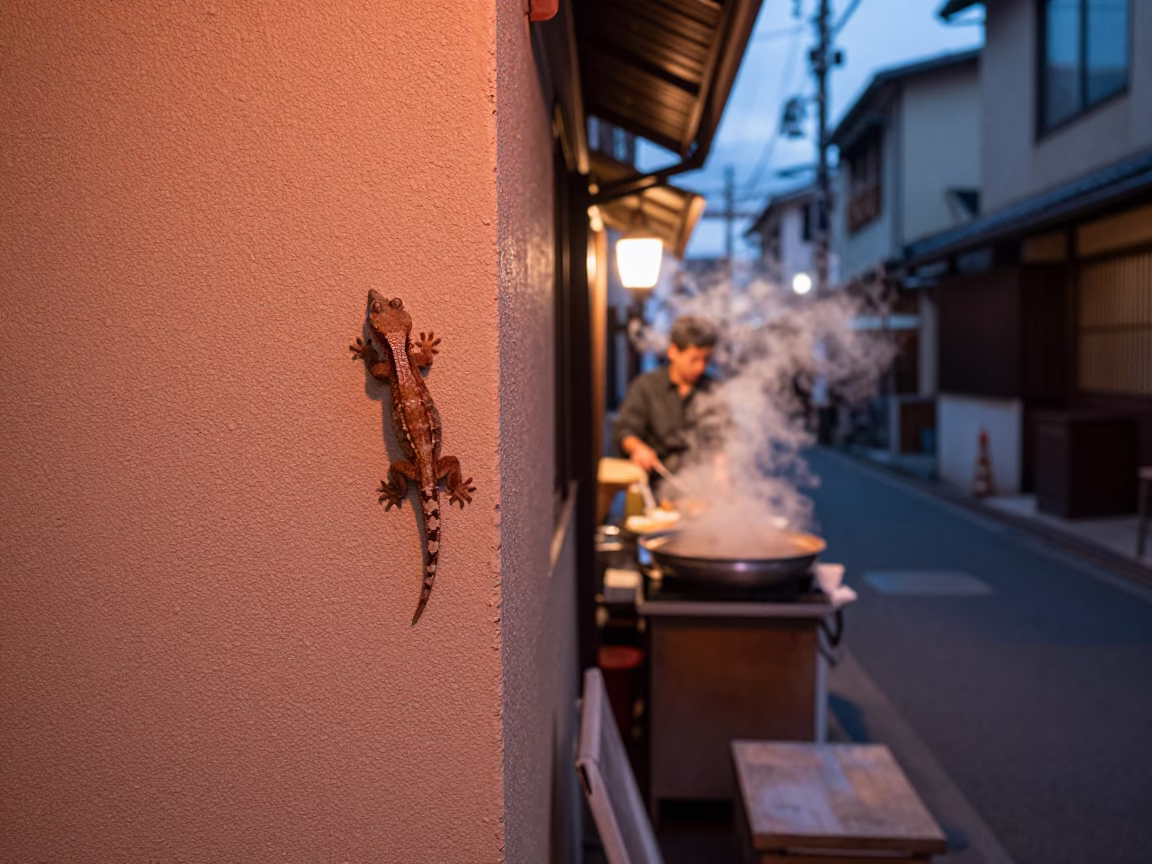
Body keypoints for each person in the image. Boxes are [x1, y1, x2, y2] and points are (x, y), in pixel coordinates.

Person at [614, 315, 723, 487]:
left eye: (706, 360)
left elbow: (722, 437)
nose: (701, 367)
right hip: (656, 483)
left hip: (703, 485)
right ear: (673, 351)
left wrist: (721, 473)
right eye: (694, 359)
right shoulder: (646, 387)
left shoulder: (713, 389)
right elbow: (626, 431)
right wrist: (638, 448)